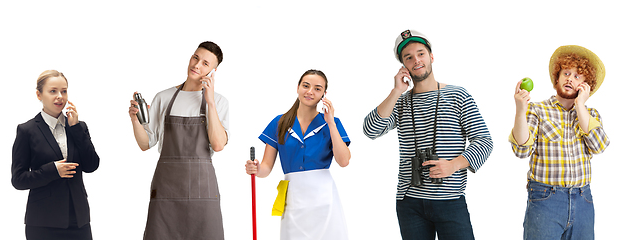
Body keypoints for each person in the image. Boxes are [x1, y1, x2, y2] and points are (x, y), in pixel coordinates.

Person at [362, 30, 493, 240]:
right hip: (409, 201)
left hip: (450, 199)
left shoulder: (458, 95)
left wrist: (454, 164)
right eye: (409, 57)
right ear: (403, 65)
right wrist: (396, 91)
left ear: (431, 57)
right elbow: (370, 130)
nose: (416, 60)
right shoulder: (401, 102)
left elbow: (484, 141)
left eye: (421, 53)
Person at [128, 41, 229, 239]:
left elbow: (218, 144)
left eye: (205, 64)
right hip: (166, 191)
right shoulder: (164, 97)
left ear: (213, 71)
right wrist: (135, 120)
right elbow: (145, 143)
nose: (197, 65)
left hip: (202, 192)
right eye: (195, 57)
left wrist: (209, 101)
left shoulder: (218, 102)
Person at [510, 45, 609, 240]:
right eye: (566, 73)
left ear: (586, 86)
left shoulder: (590, 115)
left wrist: (580, 105)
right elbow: (521, 150)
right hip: (546, 200)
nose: (570, 78)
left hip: (583, 200)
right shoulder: (537, 110)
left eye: (578, 76)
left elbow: (599, 146)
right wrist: (521, 110)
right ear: (557, 77)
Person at [245, 69, 351, 240]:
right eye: (306, 86)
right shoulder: (279, 123)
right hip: (293, 199)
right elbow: (265, 168)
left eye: (317, 88)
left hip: (324, 200)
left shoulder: (332, 123)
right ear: (298, 87)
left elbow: (344, 160)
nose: (310, 91)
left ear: (324, 94)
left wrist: (330, 123)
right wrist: (255, 169)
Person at [11, 70, 100, 240]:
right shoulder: (26, 130)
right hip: (43, 222)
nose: (60, 96)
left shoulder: (78, 126)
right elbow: (18, 179)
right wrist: (52, 170)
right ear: (39, 94)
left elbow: (91, 165)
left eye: (64, 91)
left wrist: (76, 129)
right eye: (53, 91)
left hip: (79, 221)